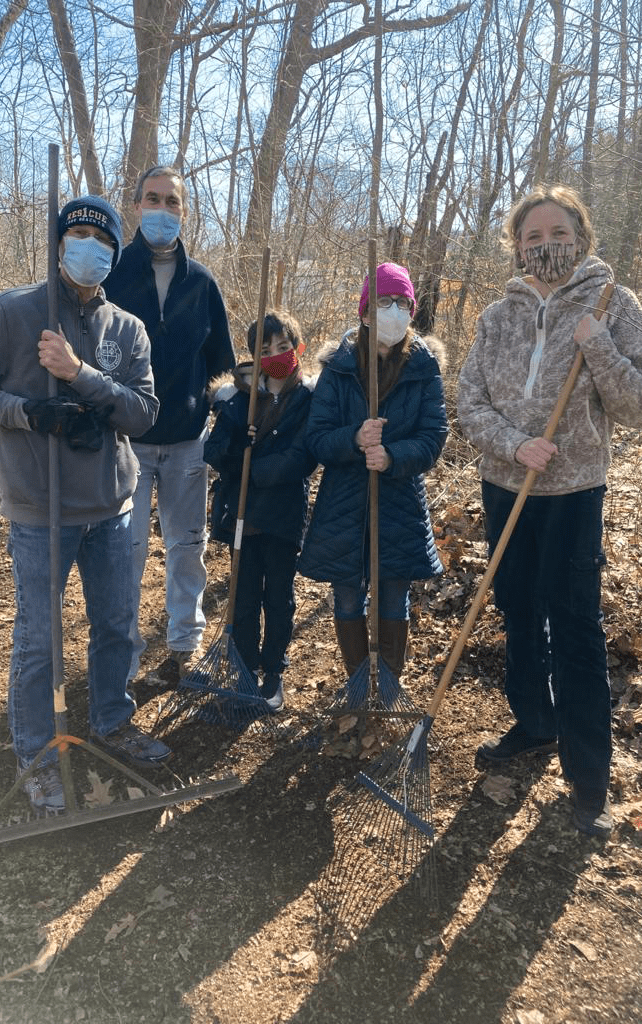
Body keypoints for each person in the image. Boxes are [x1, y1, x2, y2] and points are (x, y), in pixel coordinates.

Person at [0, 195, 171, 812]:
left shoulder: (127, 329)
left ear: (114, 256)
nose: (89, 248)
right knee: (40, 640)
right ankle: (38, 753)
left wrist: (80, 379)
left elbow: (144, 414)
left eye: (102, 242)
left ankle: (111, 720)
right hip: (39, 509)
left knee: (118, 626)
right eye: (77, 235)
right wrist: (23, 412)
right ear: (59, 243)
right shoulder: (13, 312)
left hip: (112, 506)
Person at [457, 184, 642, 839]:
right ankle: (535, 723)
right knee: (517, 610)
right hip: (505, 487)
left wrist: (597, 345)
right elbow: (469, 405)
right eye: (532, 237)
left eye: (557, 234)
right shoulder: (497, 317)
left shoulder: (614, 304)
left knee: (575, 627)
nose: (545, 247)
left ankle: (588, 778)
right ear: (516, 246)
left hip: (574, 494)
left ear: (581, 236)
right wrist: (516, 443)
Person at [104, 166, 235, 689]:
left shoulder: (202, 282)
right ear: (137, 207)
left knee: (187, 548)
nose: (163, 210)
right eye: (153, 200)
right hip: (125, 443)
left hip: (186, 442)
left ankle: (185, 646)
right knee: (126, 554)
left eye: (173, 202)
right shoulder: (111, 275)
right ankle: (124, 660)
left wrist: (229, 414)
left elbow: (222, 362)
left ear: (185, 211)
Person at [297, 263, 448, 685]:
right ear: (365, 311)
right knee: (346, 592)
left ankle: (389, 682)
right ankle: (358, 680)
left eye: (403, 303)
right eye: (384, 302)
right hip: (344, 503)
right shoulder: (339, 367)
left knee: (394, 593)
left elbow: (434, 434)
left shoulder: (423, 367)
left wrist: (393, 456)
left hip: (399, 502)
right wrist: (354, 439)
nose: (395, 310)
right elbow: (317, 438)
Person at [203, 311, 316, 711]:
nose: (276, 356)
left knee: (279, 598)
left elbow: (302, 458)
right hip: (243, 517)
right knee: (244, 595)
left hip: (283, 516)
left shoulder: (308, 399)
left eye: (283, 347)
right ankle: (245, 668)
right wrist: (239, 448)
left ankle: (273, 672)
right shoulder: (240, 398)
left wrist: (256, 469)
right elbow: (213, 452)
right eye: (265, 350)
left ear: (298, 348)